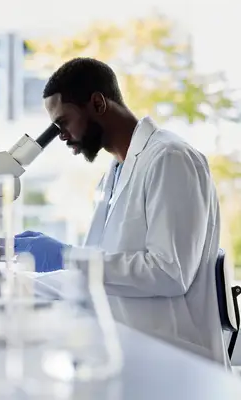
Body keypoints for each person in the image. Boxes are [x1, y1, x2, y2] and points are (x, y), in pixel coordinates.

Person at [15, 58, 227, 366]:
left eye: (63, 122)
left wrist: (67, 254)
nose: (61, 136)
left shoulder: (170, 158)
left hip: (177, 361)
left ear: (98, 103)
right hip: (133, 354)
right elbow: (97, 276)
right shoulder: (113, 175)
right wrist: (11, 280)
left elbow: (170, 272)